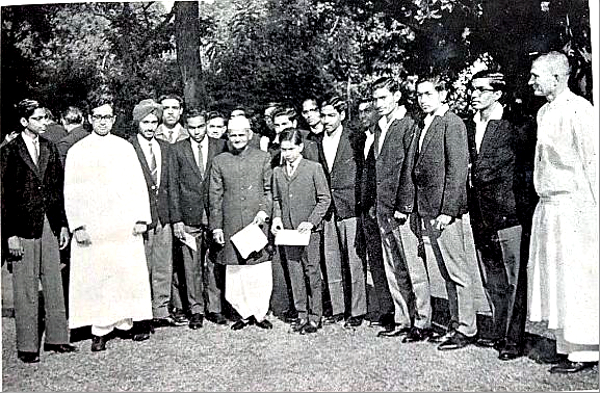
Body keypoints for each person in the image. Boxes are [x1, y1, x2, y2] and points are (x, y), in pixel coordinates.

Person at [527, 51, 598, 374]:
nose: (530, 82)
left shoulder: (580, 111)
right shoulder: (544, 112)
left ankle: (586, 349)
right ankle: (566, 345)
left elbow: (593, 163)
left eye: (536, 76)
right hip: (550, 207)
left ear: (557, 77)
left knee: (576, 278)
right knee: (555, 278)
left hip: (575, 208)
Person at [64, 97, 153, 351]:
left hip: (122, 225)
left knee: (124, 273)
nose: (103, 122)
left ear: (113, 119)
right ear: (90, 118)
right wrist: (77, 226)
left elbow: (137, 185)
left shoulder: (124, 147)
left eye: (107, 117)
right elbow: (71, 191)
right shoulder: (78, 151)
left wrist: (140, 219)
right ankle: (99, 329)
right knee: (98, 275)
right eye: (98, 117)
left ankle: (124, 324)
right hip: (94, 226)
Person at [396, 75, 478, 350]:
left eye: (428, 94)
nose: (422, 99)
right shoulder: (422, 124)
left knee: (457, 272)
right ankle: (456, 325)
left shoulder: (452, 123)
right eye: (419, 95)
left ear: (442, 94)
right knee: (444, 272)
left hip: (443, 213)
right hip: (425, 210)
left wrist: (448, 210)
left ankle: (467, 329)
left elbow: (457, 171)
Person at [1, 99, 76, 364]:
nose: (45, 123)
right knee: (26, 287)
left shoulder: (50, 148)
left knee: (54, 282)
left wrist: (63, 224)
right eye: (38, 119)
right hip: (22, 227)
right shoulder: (9, 151)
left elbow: (59, 190)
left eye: (45, 117)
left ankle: (58, 338)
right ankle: (28, 346)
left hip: (50, 224)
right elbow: (3, 197)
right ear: (24, 122)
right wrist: (8, 234)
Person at [465, 71, 527, 360]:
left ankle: (513, 339)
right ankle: (498, 330)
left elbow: (522, 171)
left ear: (497, 93)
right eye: (472, 89)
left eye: (481, 89)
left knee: (513, 278)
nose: (474, 94)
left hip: (508, 214)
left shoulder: (514, 125)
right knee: (492, 278)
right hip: (480, 215)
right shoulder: (470, 126)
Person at [366, 77, 429, 341]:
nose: (378, 104)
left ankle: (422, 323)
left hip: (401, 210)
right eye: (375, 99)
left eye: (383, 98)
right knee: (393, 268)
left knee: (413, 268)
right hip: (382, 209)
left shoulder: (408, 125)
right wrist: (375, 204)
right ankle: (403, 318)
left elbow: (409, 169)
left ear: (396, 96)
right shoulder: (379, 127)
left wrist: (404, 205)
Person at [208, 116, 274, 330]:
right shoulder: (220, 161)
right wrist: (216, 226)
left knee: (259, 269)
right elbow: (215, 196)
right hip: (231, 223)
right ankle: (242, 313)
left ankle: (260, 313)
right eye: (232, 135)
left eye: (240, 134)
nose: (236, 139)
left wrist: (264, 212)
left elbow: (268, 189)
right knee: (236, 272)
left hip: (257, 222)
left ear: (249, 134)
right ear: (228, 137)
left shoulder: (263, 158)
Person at [169, 108, 229, 327]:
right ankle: (196, 310)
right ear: (186, 127)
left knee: (214, 262)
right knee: (191, 264)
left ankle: (215, 307)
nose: (196, 131)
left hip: (214, 216)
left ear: (206, 124)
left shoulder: (220, 145)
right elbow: (173, 187)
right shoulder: (177, 150)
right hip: (189, 217)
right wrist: (177, 220)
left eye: (200, 126)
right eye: (192, 127)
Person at [271, 129, 331, 334]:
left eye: (291, 149)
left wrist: (311, 222)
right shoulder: (277, 172)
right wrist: (277, 218)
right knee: (295, 272)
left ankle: (316, 316)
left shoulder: (313, 168)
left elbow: (325, 199)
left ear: (300, 147)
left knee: (312, 272)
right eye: (283, 149)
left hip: (309, 232)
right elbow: (277, 200)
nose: (287, 153)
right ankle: (301, 314)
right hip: (288, 232)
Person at [129, 99, 180, 329]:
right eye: (145, 122)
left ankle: (161, 310)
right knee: (142, 266)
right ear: (137, 123)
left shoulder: (165, 147)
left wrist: (173, 217)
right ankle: (141, 314)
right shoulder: (128, 147)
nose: (150, 127)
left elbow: (171, 185)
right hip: (140, 218)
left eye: (153, 122)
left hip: (163, 216)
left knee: (163, 264)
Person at [319, 96, 367, 328]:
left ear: (342, 115)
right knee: (332, 261)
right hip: (327, 209)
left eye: (331, 115)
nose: (326, 120)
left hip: (350, 207)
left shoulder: (355, 138)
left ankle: (357, 311)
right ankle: (338, 309)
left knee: (355, 262)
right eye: (323, 115)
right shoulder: (317, 142)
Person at [155, 93, 189, 323]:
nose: (170, 112)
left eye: (174, 108)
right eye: (165, 108)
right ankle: (169, 306)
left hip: (187, 208)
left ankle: (187, 304)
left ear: (181, 111)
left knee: (186, 258)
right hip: (163, 210)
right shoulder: (152, 135)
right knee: (165, 261)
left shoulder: (190, 135)